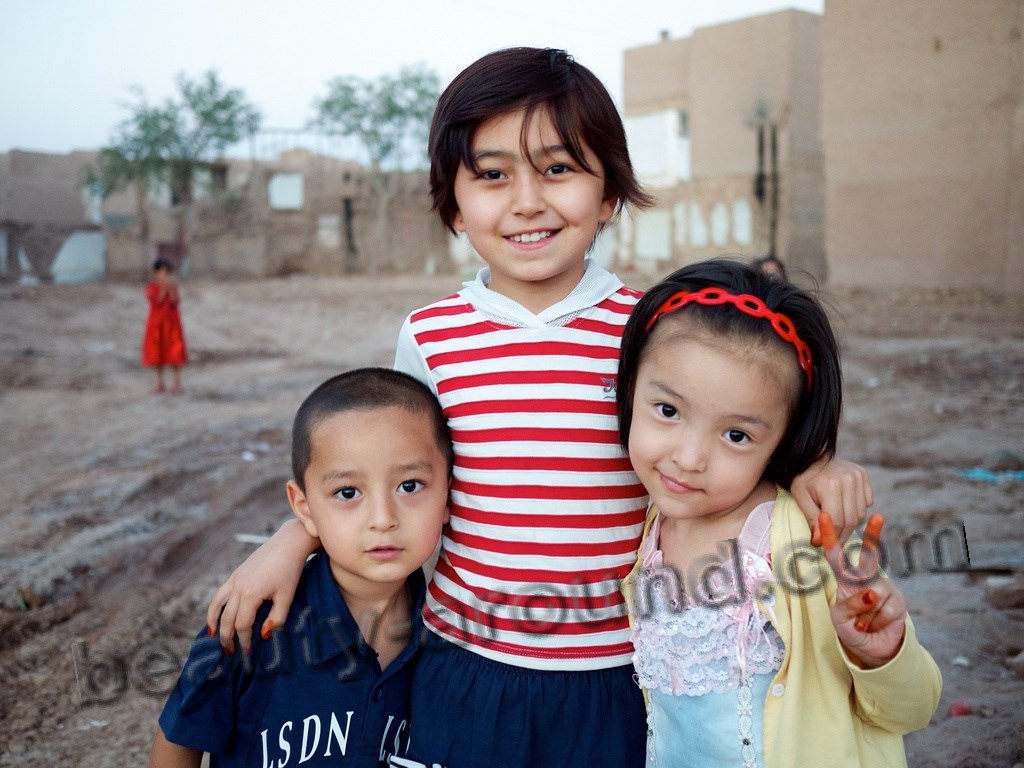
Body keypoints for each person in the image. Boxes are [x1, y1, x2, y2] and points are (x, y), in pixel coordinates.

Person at [206, 48, 873, 768]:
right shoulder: (430, 336)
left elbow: (733, 430)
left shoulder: (649, 332)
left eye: (558, 169)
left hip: (618, 675)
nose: (527, 200)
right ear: (453, 204)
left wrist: (811, 469)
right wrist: (290, 541)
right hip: (465, 669)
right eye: (492, 176)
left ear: (610, 192)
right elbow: (381, 466)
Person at [617, 259, 941, 766]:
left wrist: (880, 655)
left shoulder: (811, 542)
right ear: (631, 388)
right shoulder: (647, 529)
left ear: (785, 440)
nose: (688, 457)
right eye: (668, 410)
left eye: (737, 435)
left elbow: (910, 709)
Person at [149, 368, 453, 767]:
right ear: (304, 507)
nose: (383, 519)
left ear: (449, 492)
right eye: (348, 492)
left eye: (409, 486)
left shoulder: (454, 633)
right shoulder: (249, 621)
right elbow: (177, 742)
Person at [142, 258, 188, 394]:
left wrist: (170, 289)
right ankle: (160, 382)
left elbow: (175, 302)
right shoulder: (151, 288)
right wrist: (163, 289)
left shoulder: (173, 287)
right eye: (162, 273)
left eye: (167, 273)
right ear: (156, 273)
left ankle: (176, 382)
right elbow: (156, 302)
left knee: (174, 352)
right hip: (156, 325)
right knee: (157, 353)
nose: (165, 276)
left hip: (171, 324)